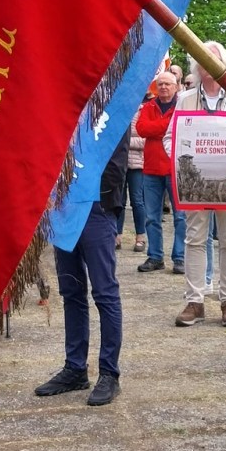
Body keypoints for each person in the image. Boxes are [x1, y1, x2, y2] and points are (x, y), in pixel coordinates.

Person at [35, 130, 128, 406]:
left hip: (95, 207)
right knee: (71, 292)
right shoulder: (66, 103)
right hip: (62, 208)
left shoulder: (111, 102)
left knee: (104, 293)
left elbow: (115, 162)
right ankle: (75, 368)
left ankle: (109, 373)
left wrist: (100, 200)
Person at [171, 41, 226, 329]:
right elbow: (171, 138)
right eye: (202, 59)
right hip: (194, 182)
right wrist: (178, 160)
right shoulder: (185, 99)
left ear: (224, 62)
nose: (208, 65)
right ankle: (195, 301)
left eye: (213, 59)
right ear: (196, 66)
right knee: (195, 239)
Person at [136, 71, 185, 275]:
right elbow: (141, 129)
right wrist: (165, 127)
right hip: (151, 169)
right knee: (151, 217)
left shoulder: (181, 107)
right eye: (161, 84)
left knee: (180, 216)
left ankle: (179, 257)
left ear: (176, 86)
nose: (164, 87)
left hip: (175, 168)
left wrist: (156, 128)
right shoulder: (149, 106)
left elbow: (179, 128)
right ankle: (155, 256)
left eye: (168, 84)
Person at [126, 111, 149, 253]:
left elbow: (145, 140)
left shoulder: (141, 112)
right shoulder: (118, 111)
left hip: (136, 165)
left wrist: (125, 141)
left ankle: (140, 236)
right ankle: (117, 235)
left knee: (137, 200)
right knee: (118, 201)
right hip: (119, 163)